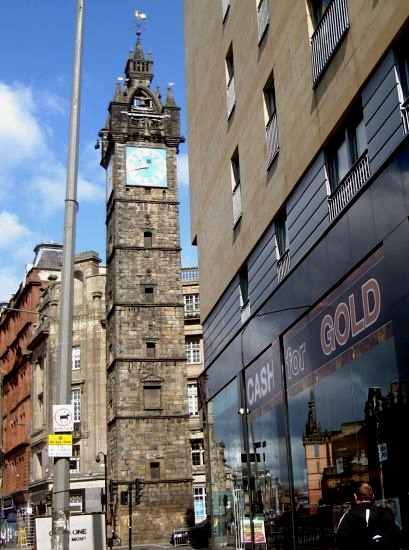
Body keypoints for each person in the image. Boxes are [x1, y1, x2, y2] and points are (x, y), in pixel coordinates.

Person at [336, 481, 404, 549]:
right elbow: (398, 536)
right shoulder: (386, 514)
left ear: (355, 496)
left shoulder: (348, 517)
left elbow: (340, 541)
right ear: (373, 496)